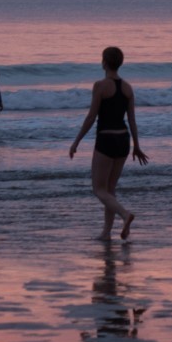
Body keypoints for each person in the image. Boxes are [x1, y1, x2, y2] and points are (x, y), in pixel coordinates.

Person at [68, 46, 147, 239]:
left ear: (104, 62)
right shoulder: (128, 88)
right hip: (123, 140)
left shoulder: (100, 86)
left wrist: (76, 141)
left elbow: (91, 117)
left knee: (98, 189)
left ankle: (125, 214)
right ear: (120, 63)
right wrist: (136, 146)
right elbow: (132, 120)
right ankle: (106, 232)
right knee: (110, 190)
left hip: (106, 139)